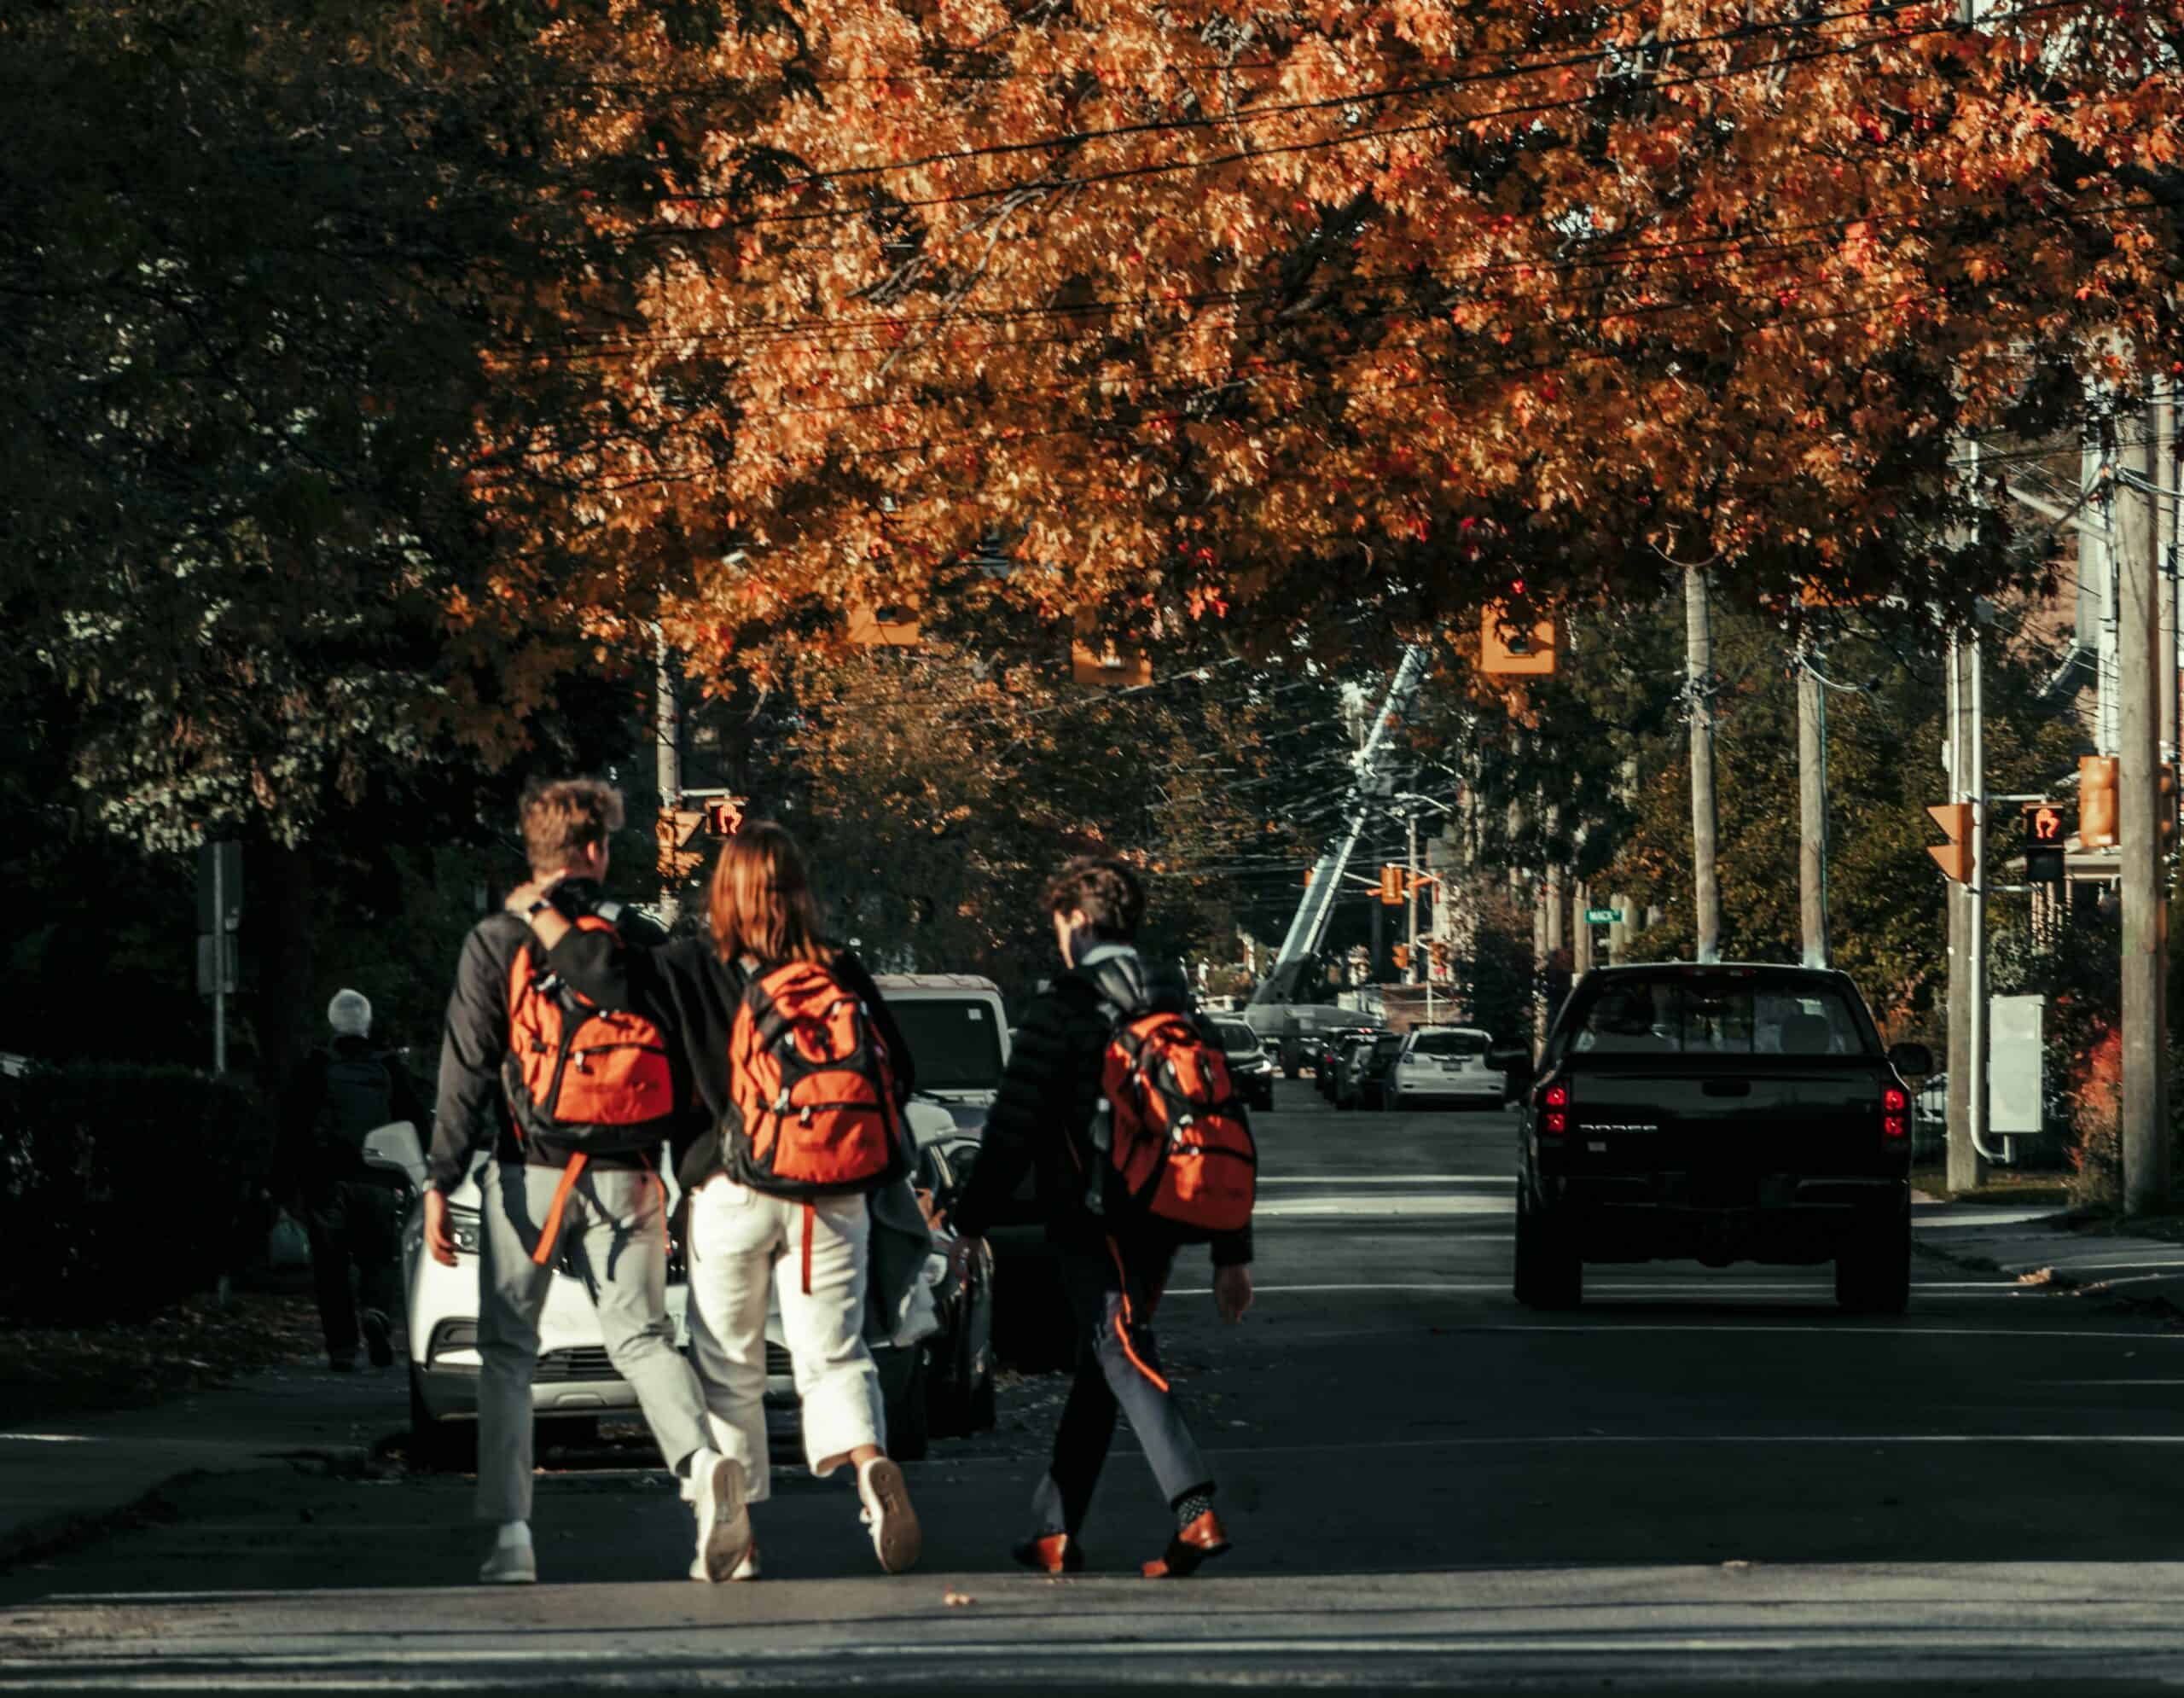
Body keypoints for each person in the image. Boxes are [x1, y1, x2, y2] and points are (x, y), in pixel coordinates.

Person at [538, 821, 924, 1580]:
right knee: (832, 1352)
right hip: (828, 1196)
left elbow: (603, 976)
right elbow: (898, 1076)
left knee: (727, 1365)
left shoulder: (687, 966)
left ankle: (735, 1527)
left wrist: (545, 911)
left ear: (724, 893)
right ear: (799, 891)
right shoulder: (836, 968)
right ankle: (871, 1467)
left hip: (727, 1186)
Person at [427, 777, 735, 1586]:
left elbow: (465, 1067)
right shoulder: (633, 940)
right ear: (598, 850)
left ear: (534, 850)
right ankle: (703, 1469)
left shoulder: (497, 940)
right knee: (640, 1339)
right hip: (632, 1172)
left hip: (530, 1173)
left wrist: (439, 1175)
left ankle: (513, 1539)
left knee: (507, 1353)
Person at [948, 856, 1254, 1579]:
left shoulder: (1066, 1004)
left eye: (1060, 926)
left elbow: (1012, 1126)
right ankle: (1055, 1529)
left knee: (1117, 1349)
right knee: (1104, 1358)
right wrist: (1230, 1248)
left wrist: (967, 1222)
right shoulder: (1173, 999)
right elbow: (1220, 1116)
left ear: (1078, 924)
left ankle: (1194, 1510)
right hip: (1168, 1208)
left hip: (1094, 1214)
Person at [277, 990, 429, 1373]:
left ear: (333, 1022)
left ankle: (342, 1348)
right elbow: (415, 1120)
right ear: (367, 1023)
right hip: (379, 1178)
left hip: (326, 1181)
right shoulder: (390, 1065)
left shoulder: (316, 1064)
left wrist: (282, 1183)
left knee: (331, 1268)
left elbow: (292, 1125)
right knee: (379, 1257)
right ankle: (376, 1311)